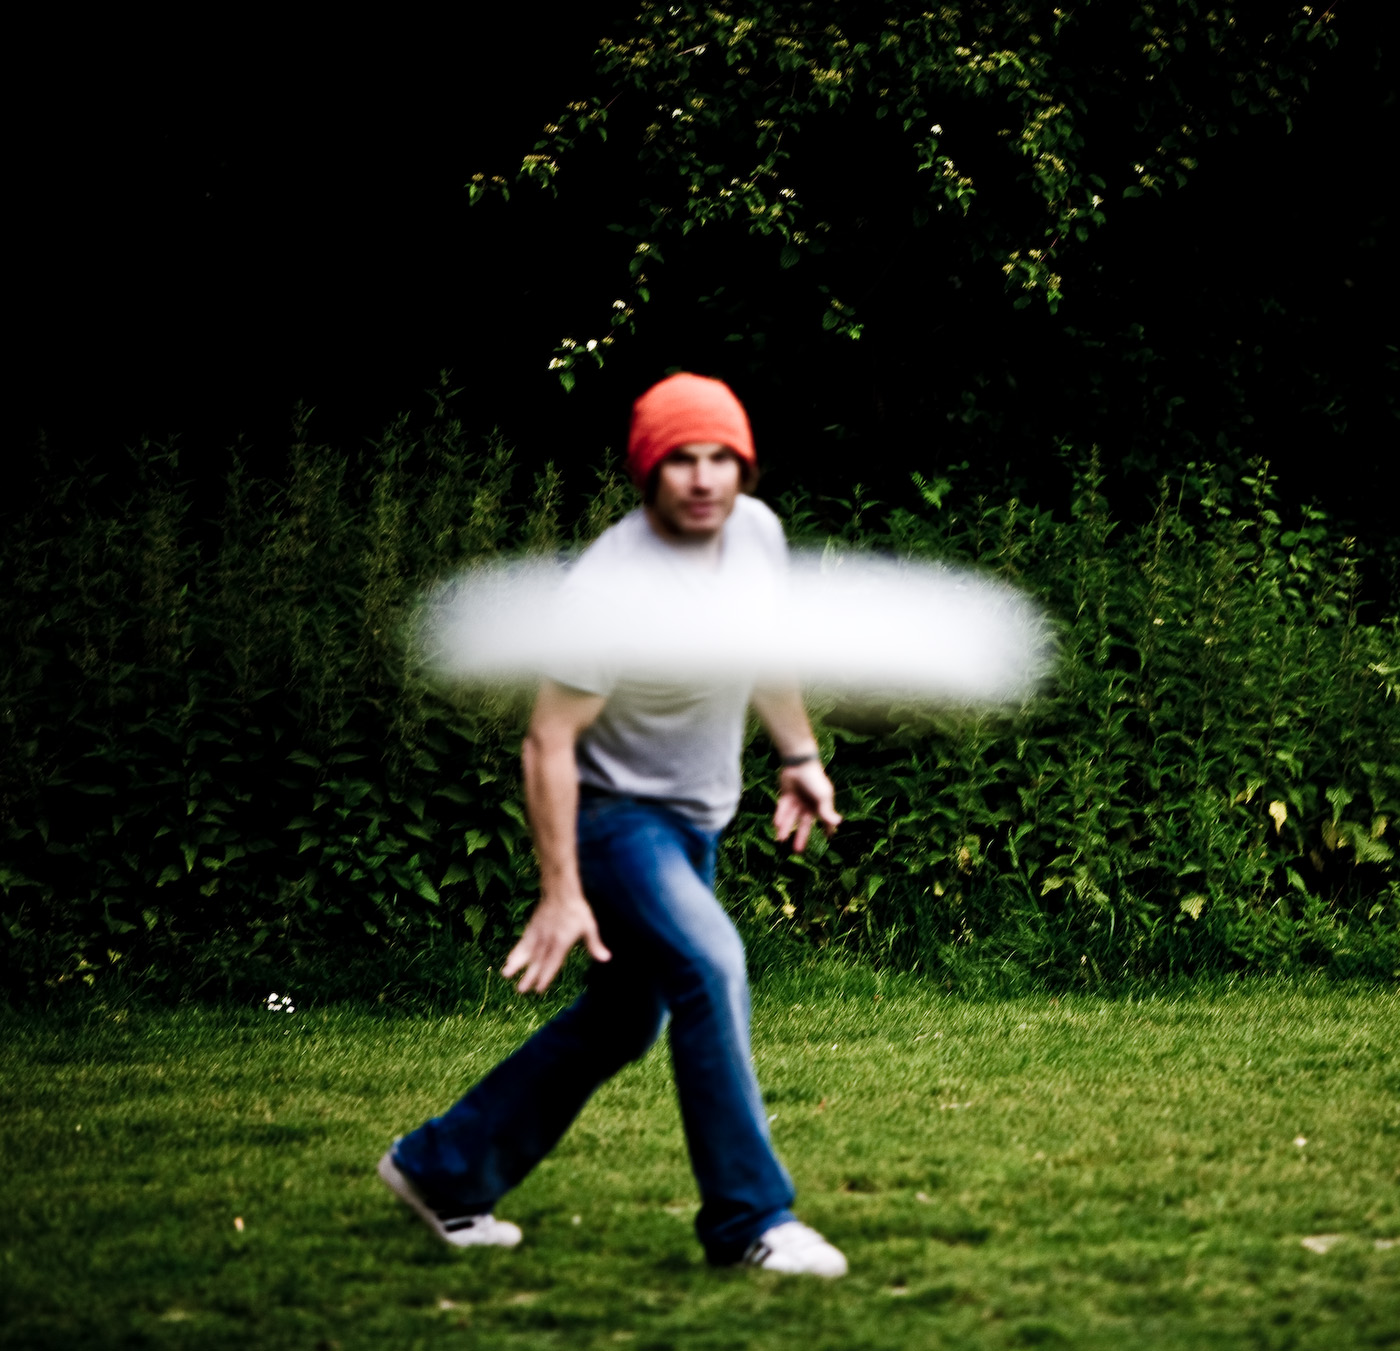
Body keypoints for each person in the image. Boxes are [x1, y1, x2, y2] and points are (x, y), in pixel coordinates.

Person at [379, 372, 847, 1276]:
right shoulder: (613, 585)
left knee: (627, 1018)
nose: (703, 479)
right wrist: (561, 891)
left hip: (695, 820)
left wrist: (799, 755)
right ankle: (750, 1219)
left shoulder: (756, 535)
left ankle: (442, 1168)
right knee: (711, 965)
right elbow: (548, 741)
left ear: (743, 467)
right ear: (648, 471)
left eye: (720, 458)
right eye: (681, 460)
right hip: (615, 820)